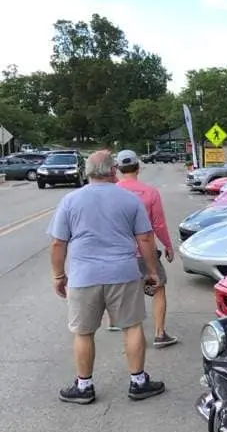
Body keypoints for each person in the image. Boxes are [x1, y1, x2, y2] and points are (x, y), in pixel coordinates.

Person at [47, 150, 165, 404]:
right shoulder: (129, 199)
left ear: (86, 172)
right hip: (123, 273)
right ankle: (138, 382)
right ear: (113, 171)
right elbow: (145, 238)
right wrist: (152, 271)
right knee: (132, 326)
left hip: (83, 276)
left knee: (84, 332)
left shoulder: (70, 200)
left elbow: (58, 243)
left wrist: (58, 275)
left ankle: (84, 386)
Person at [115, 150, 178, 348]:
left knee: (124, 290)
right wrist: (168, 245)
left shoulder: (112, 192)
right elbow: (158, 224)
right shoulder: (150, 192)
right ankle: (160, 334)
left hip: (119, 253)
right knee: (158, 287)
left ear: (118, 168)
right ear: (138, 168)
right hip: (144, 251)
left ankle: (121, 324)